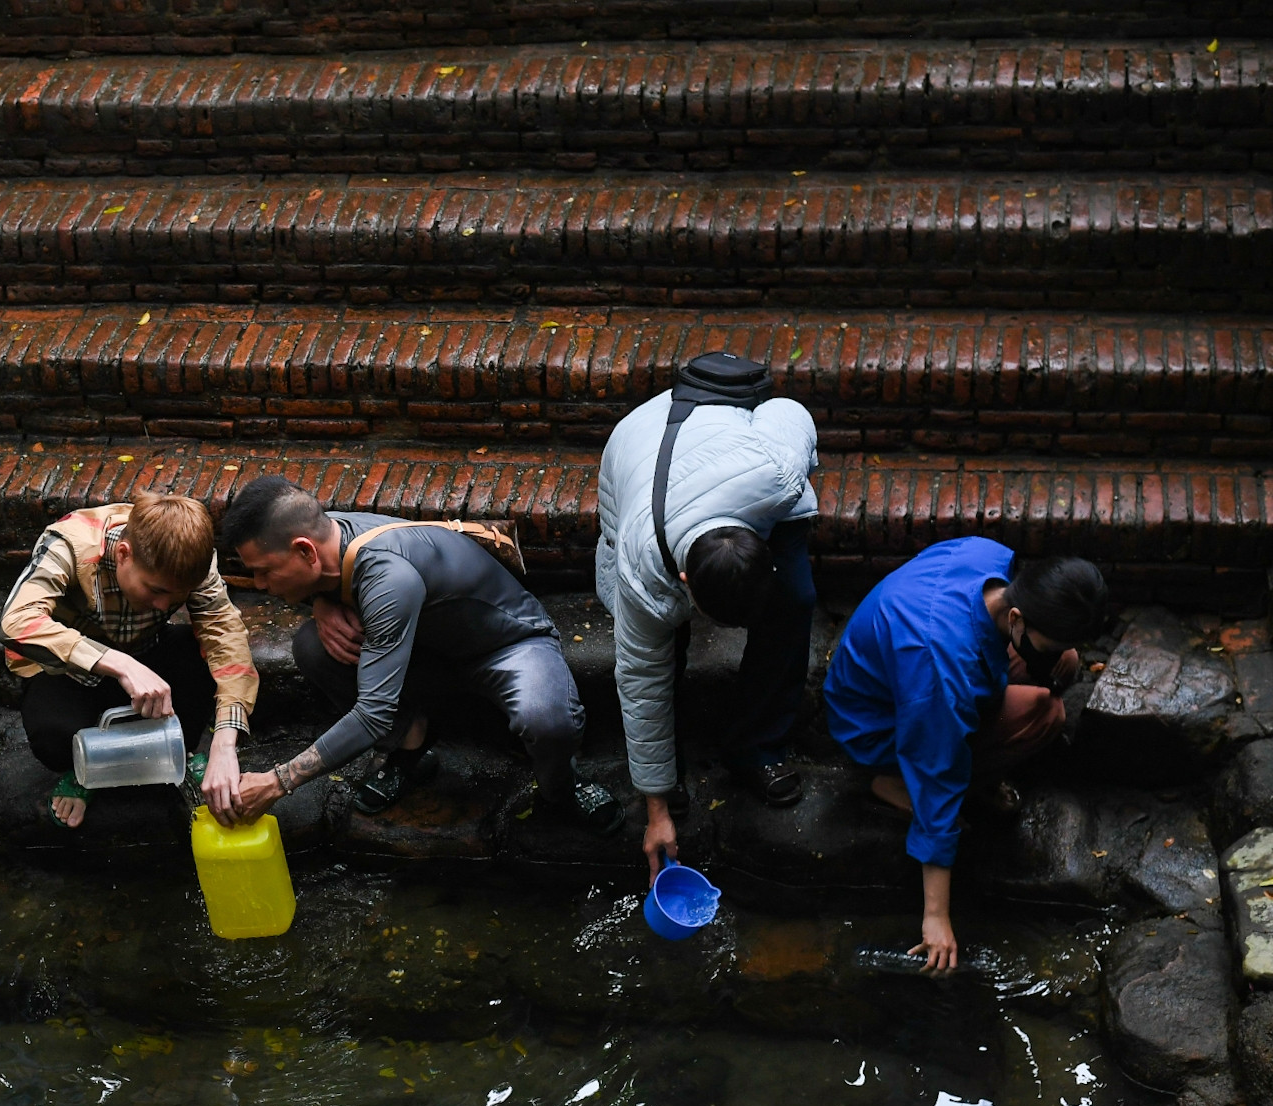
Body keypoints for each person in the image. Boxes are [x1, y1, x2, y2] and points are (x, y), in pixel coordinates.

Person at [220, 476, 622, 835]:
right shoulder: (329, 531)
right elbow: (319, 582)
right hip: (429, 648)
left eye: (264, 572)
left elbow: (372, 714)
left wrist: (278, 782)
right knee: (313, 644)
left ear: (306, 552)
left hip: (507, 645)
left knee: (547, 719)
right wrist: (320, 601)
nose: (259, 585)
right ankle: (412, 754)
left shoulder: (386, 576)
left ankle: (562, 789)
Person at [823, 540, 1106, 972]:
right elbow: (938, 772)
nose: (1048, 649)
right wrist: (936, 917)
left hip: (902, 669)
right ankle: (890, 780)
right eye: (1041, 640)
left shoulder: (989, 556)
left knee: (1064, 661)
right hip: (879, 724)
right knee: (1045, 714)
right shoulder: (940, 664)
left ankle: (1035, 664)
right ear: (1015, 618)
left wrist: (1054, 650)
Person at [595, 351, 820, 884]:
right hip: (640, 456)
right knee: (653, 638)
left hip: (741, 472)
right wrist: (656, 811)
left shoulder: (777, 474)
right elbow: (640, 683)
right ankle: (666, 773)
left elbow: (789, 408)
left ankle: (757, 744)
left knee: (797, 599)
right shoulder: (642, 568)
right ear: (686, 583)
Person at [0, 492, 255, 829]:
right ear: (123, 554)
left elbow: (227, 640)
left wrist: (224, 743)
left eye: (175, 597)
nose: (164, 606)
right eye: (156, 591)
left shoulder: (193, 561)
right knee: (51, 736)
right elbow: (15, 622)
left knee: (205, 662)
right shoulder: (70, 543)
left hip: (146, 657)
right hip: (71, 672)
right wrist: (119, 664)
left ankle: (177, 755)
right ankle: (86, 770)